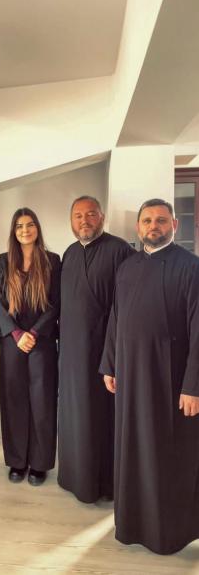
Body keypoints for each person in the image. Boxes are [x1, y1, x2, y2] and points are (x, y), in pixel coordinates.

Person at [100, 198, 199, 555]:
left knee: (168, 455)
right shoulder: (127, 267)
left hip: (170, 381)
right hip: (130, 375)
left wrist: (193, 385)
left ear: (174, 225)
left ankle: (169, 534)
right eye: (147, 221)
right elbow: (116, 318)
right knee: (133, 449)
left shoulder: (191, 267)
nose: (153, 226)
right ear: (138, 227)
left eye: (160, 220)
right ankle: (133, 525)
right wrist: (109, 364)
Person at [58, 196, 135, 503]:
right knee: (73, 416)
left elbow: (125, 307)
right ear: (71, 221)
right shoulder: (69, 253)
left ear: (101, 217)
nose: (84, 220)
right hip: (71, 354)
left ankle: (102, 484)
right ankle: (73, 477)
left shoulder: (120, 251)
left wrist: (114, 357)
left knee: (100, 419)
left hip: (104, 353)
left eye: (91, 214)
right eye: (78, 215)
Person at [0, 208, 60, 486]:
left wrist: (34, 332)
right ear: (14, 231)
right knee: (13, 400)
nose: (25, 230)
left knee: (42, 402)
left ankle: (40, 464)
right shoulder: (4, 261)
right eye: (19, 226)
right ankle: (17, 461)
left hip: (41, 341)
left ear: (37, 228)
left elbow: (56, 302)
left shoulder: (52, 261)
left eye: (30, 225)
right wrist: (17, 333)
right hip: (12, 342)